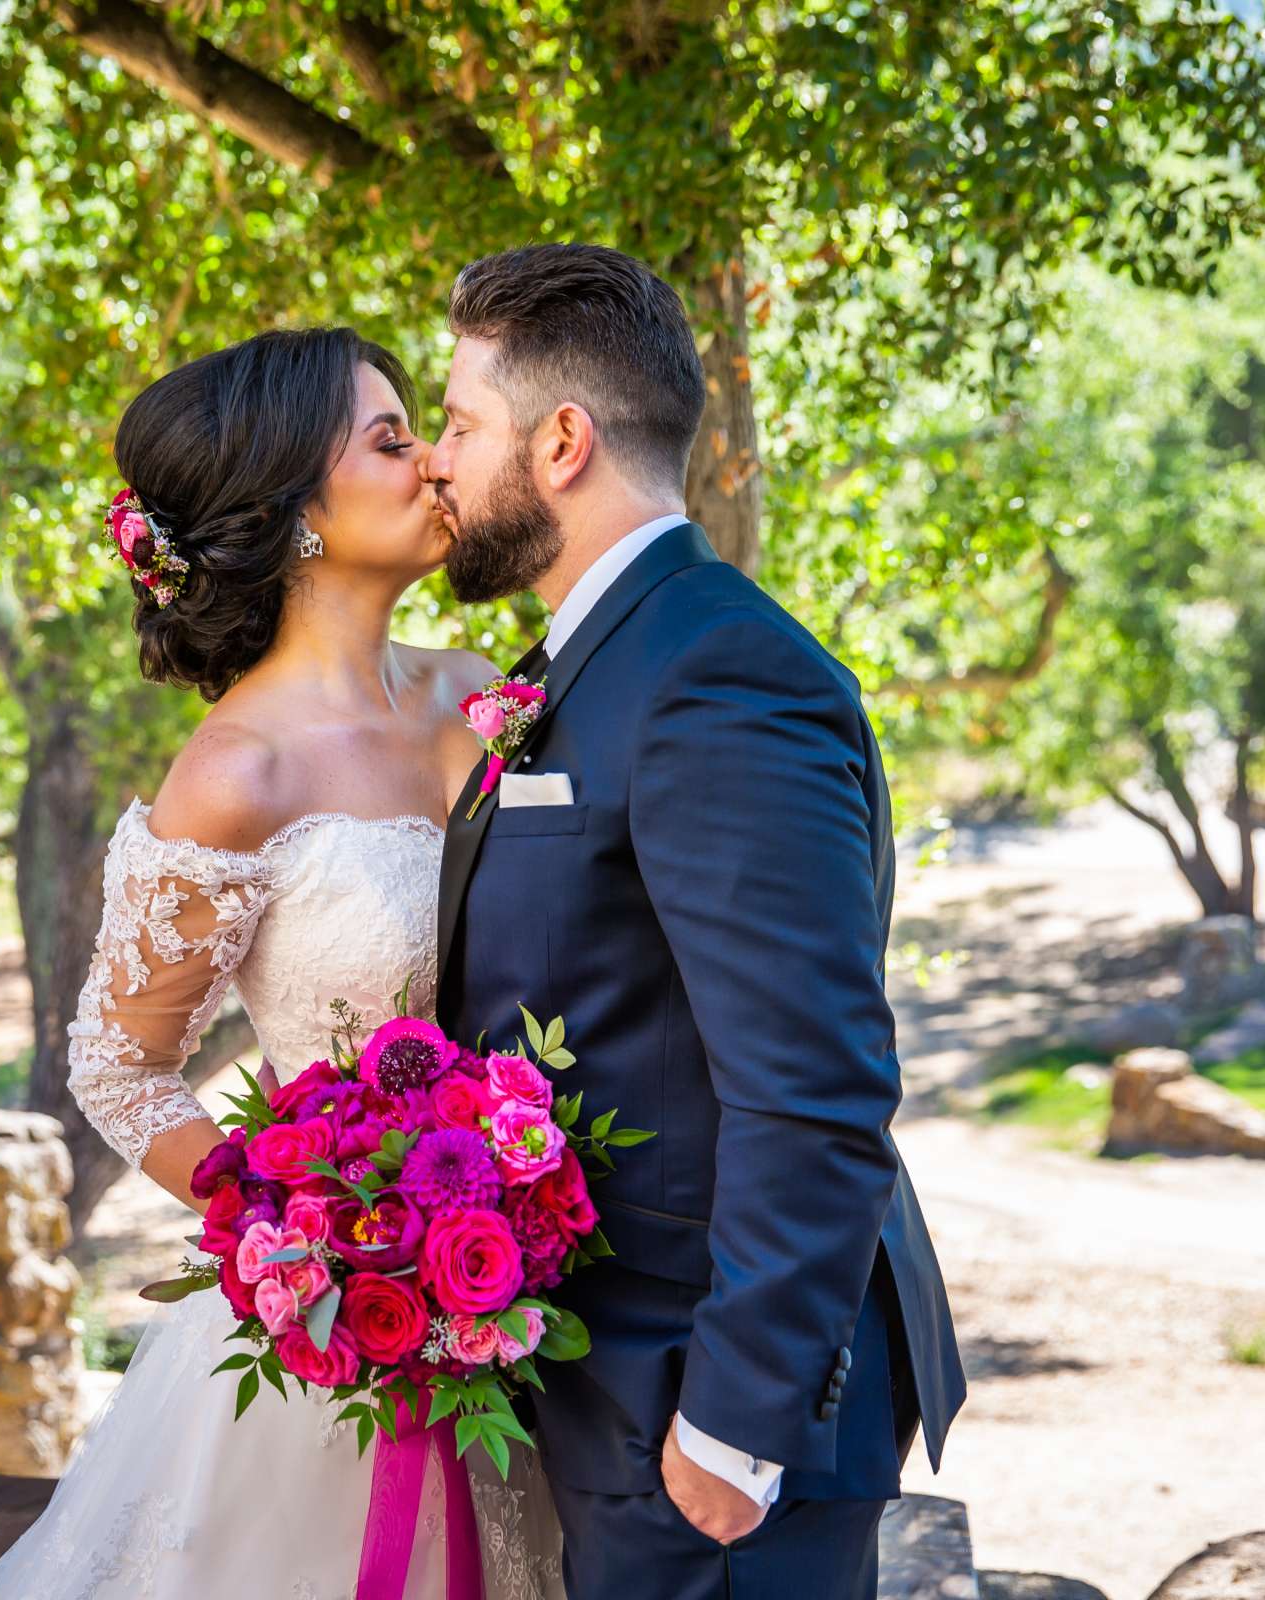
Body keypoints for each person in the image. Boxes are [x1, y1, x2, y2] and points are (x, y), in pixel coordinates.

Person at [0, 325, 567, 1600]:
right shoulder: (241, 770)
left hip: (535, 1317)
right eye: (392, 440)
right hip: (333, 1360)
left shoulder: (487, 694)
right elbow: (119, 1066)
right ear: (296, 510)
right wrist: (305, 1229)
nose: (436, 466)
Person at [426, 242, 968, 1599]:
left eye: (456, 424)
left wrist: (739, 1420)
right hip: (616, 1377)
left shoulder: (716, 673)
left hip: (706, 1408)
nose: (437, 462)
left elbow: (819, 1081)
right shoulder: (596, 661)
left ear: (562, 443)